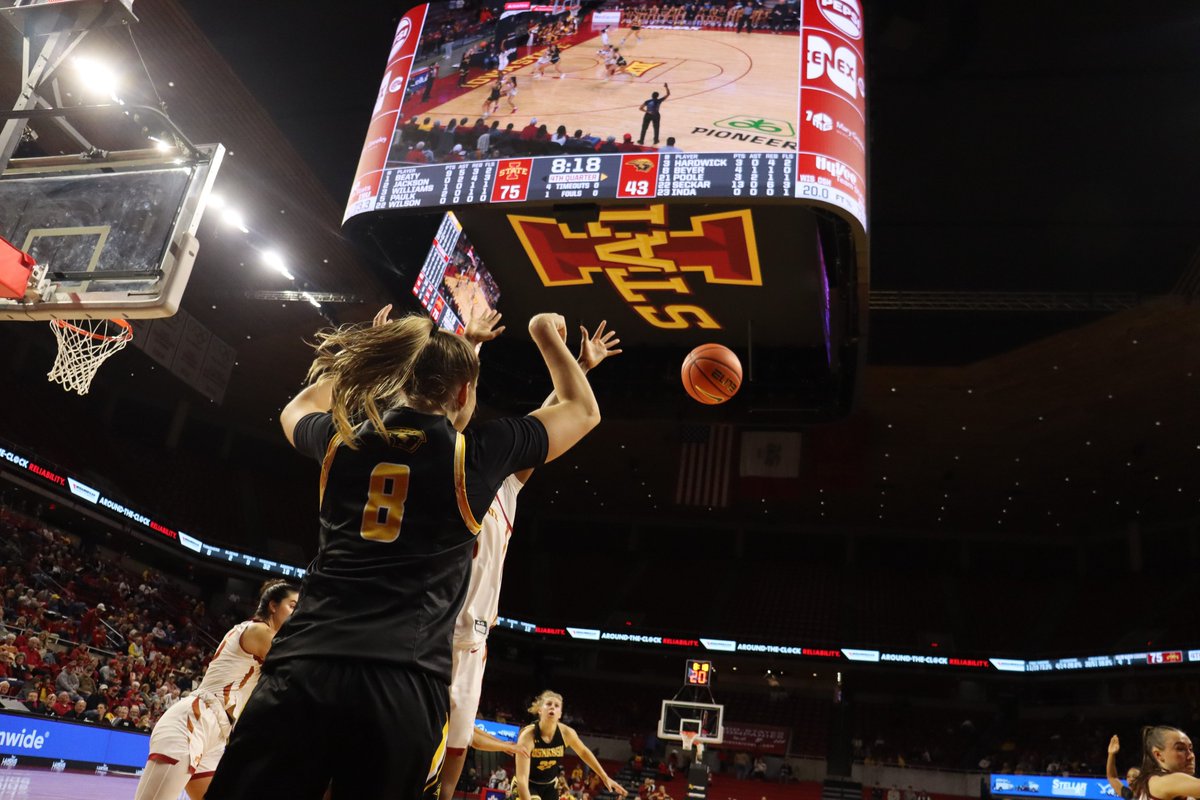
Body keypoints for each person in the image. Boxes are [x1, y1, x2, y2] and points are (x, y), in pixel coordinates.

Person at [207, 309, 600, 800]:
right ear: (463, 393)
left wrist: (352, 363)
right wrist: (544, 334)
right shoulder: (474, 454)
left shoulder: (340, 439)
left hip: (306, 665)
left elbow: (295, 408)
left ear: (400, 379)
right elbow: (581, 410)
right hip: (402, 681)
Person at [438, 322, 621, 800]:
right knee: (412, 735)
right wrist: (471, 348)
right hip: (435, 620)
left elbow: (546, 421)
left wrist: (579, 366)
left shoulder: (509, 487)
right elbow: (453, 419)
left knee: (456, 741)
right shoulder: (454, 468)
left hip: (475, 630)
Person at [133, 581, 299, 800]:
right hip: (194, 721)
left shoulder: (261, 634)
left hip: (218, 732)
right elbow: (297, 667)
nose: (297, 614)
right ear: (273, 606)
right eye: (292, 606)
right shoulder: (259, 631)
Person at [516, 691, 626, 800]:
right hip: (528, 784)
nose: (552, 707)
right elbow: (522, 778)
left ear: (560, 714)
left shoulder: (566, 733)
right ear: (539, 710)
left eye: (557, 705)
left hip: (550, 785)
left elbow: (583, 752)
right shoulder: (528, 736)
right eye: (548, 704)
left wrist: (604, 776)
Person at [1129, 726, 1199, 800]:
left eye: (1190, 749)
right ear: (1158, 755)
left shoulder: (1153, 783)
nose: (1191, 756)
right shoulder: (1162, 781)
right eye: (1180, 749)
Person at [1107, 735, 1140, 799]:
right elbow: (1112, 777)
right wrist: (1111, 754)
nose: (1131, 779)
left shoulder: (1151, 793)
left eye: (1135, 776)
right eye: (1128, 777)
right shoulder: (1128, 794)